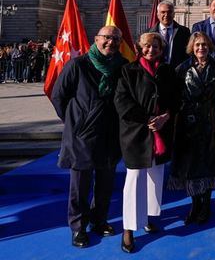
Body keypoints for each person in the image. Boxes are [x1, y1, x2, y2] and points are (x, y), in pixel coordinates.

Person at [50, 26, 127, 248]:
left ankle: (99, 220)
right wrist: (75, 121)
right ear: (96, 39)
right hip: (81, 135)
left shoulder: (121, 66)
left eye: (115, 38)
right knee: (80, 185)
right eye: (106, 38)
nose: (110, 42)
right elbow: (59, 95)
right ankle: (78, 227)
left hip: (110, 134)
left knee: (105, 183)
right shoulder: (78, 64)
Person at [114, 32, 179, 253]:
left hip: (161, 132)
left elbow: (176, 99)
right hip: (136, 134)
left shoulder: (168, 71)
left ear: (162, 49)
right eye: (148, 46)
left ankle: (150, 217)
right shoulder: (128, 71)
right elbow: (122, 102)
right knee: (134, 179)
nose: (152, 50)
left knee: (155, 176)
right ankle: (129, 229)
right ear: (140, 48)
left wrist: (166, 117)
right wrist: (148, 119)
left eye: (156, 47)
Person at [168, 32, 215, 225]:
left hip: (211, 122)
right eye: (198, 45)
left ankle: (206, 205)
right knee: (191, 167)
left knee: (208, 165)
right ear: (192, 47)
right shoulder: (182, 69)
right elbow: (175, 96)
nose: (201, 48)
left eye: (205, 45)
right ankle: (195, 205)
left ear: (210, 47)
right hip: (188, 123)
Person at [148, 1, 191, 69]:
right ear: (157, 14)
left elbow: (188, 54)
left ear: (174, 14)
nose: (166, 15)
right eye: (163, 12)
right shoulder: (149, 33)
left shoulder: (184, 32)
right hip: (155, 73)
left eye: (169, 12)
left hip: (177, 74)